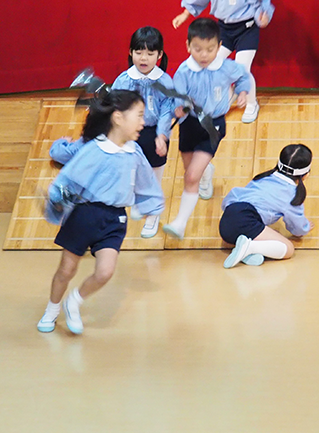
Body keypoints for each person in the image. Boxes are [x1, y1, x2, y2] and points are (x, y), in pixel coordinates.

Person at [37, 90, 164, 334]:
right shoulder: (94, 150)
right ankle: (51, 310)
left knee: (105, 272)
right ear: (118, 118)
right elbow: (69, 179)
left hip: (115, 219)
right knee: (66, 270)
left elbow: (146, 182)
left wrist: (151, 207)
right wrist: (56, 202)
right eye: (138, 115)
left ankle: (74, 301)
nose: (143, 122)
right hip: (85, 215)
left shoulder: (134, 152)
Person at [172, 0, 274, 124]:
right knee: (212, 65)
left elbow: (262, 0)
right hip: (224, 30)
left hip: (246, 29)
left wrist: (264, 16)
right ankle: (225, 98)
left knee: (242, 69)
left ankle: (251, 104)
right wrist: (185, 14)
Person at [161, 18, 250, 240]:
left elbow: (243, 76)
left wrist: (243, 91)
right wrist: (179, 108)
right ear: (188, 46)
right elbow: (178, 97)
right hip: (189, 125)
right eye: (198, 49)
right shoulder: (183, 71)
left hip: (213, 125)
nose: (203, 55)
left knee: (191, 177)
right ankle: (207, 172)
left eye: (210, 49)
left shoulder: (227, 67)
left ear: (219, 46)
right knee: (190, 171)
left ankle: (180, 224)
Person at [111, 26, 174, 238]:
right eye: (138, 52)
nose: (143, 58)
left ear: (159, 54)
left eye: (149, 53)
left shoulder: (165, 81)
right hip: (131, 134)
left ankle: (153, 216)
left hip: (155, 134)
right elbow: (117, 109)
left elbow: (166, 111)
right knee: (134, 172)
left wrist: (162, 136)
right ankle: (140, 201)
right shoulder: (123, 80)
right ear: (130, 52)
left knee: (154, 178)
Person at [220, 144, 313, 268]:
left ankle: (247, 253)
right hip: (245, 221)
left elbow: (231, 197)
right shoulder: (292, 193)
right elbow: (298, 228)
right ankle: (250, 247)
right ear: (306, 174)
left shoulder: (263, 177)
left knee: (247, 236)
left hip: (226, 222)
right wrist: (305, 228)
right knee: (288, 249)